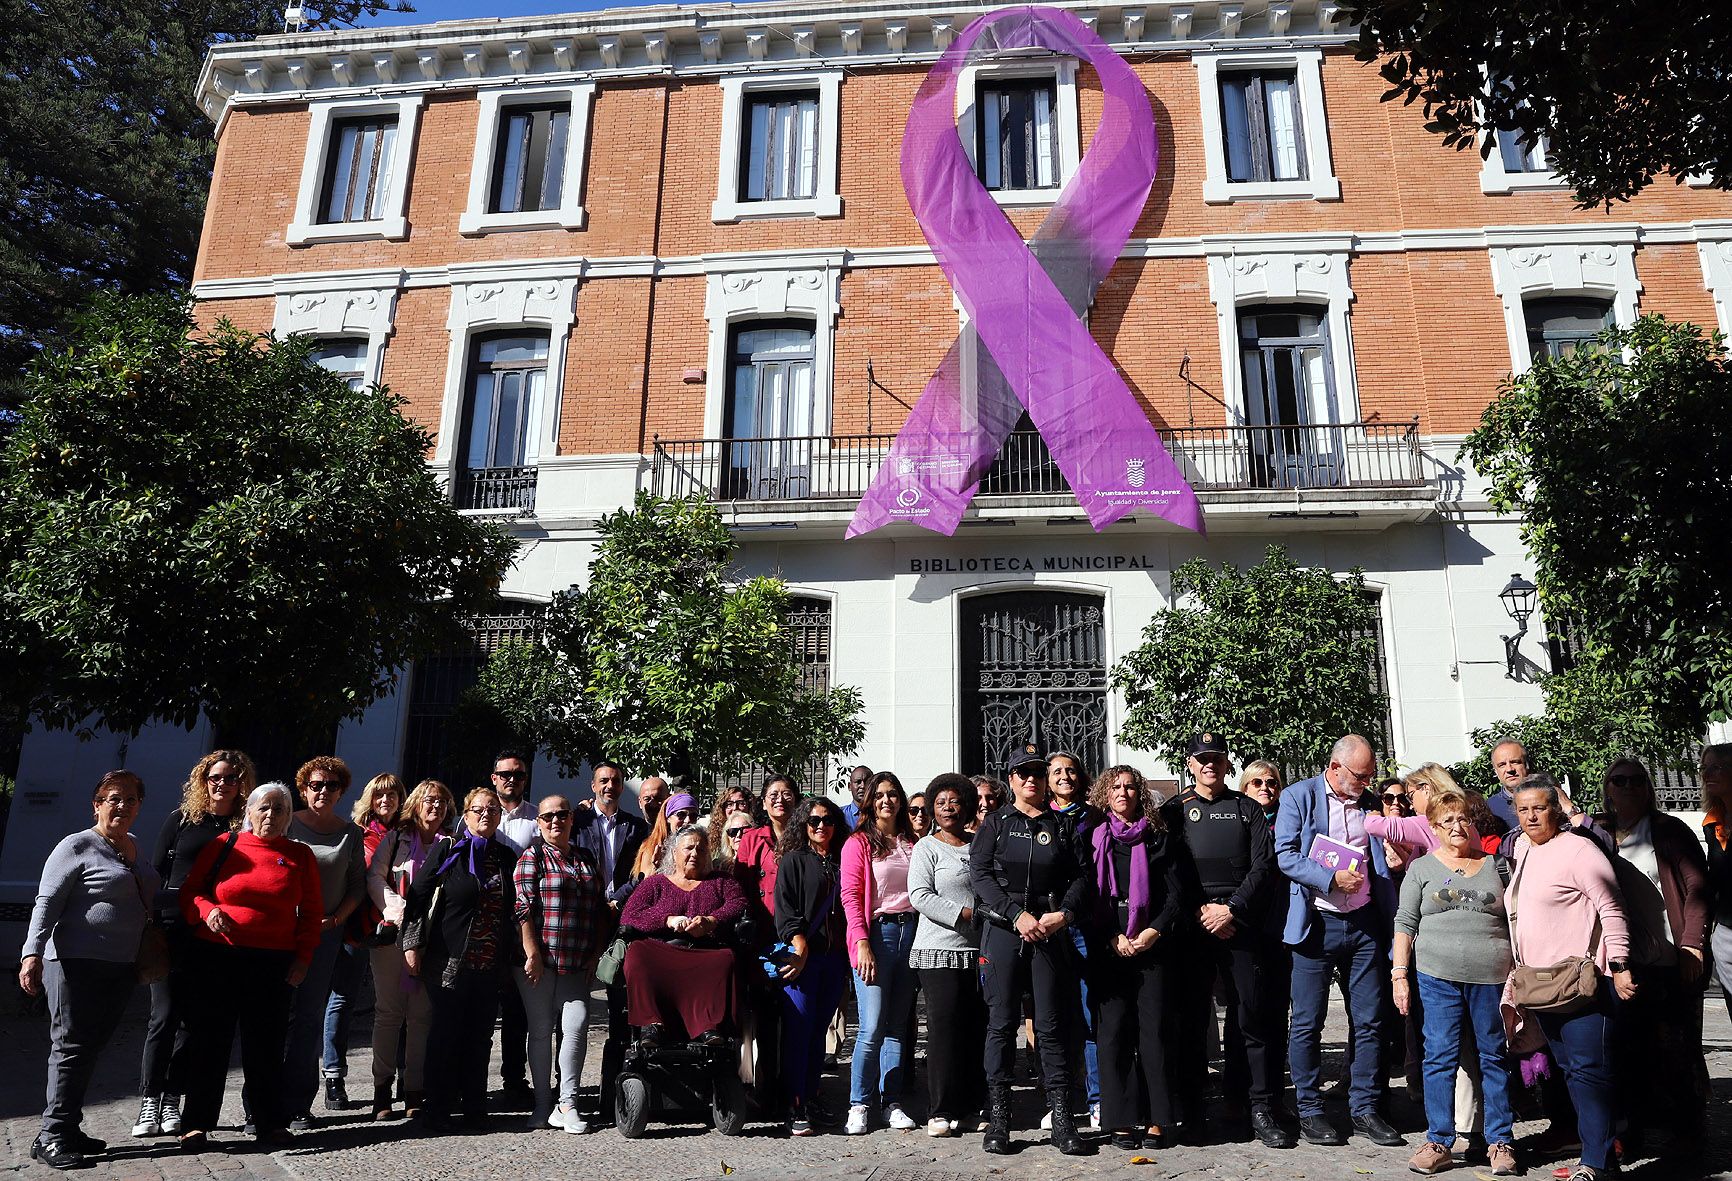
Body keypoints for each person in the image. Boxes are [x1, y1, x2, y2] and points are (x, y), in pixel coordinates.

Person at [21, 771, 162, 1170]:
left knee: (89, 1049)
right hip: (73, 963)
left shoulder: (132, 847)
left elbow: (150, 893)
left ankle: (65, 1126)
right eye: (113, 798)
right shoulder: (76, 845)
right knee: (70, 1049)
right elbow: (46, 901)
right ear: (96, 804)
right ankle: (53, 1136)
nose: (123, 806)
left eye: (131, 800)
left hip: (120, 964)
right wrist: (31, 953)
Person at [1274, 733, 1404, 1149]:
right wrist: (1330, 878)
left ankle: (1365, 1108)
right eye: (1360, 776)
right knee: (1308, 1022)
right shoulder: (1298, 797)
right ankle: (1310, 1111)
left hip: (1364, 922)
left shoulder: (1370, 804)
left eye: (1370, 776)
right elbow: (1286, 855)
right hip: (1316, 923)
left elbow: (1385, 852)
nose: (1367, 783)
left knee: (1370, 1020)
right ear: (1334, 768)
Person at [1161, 736, 1291, 1148]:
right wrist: (1203, 911)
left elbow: (1262, 865)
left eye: (1216, 758)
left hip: (1239, 924)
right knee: (1192, 1021)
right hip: (1194, 928)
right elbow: (1170, 870)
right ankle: (1193, 1110)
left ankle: (1257, 1106)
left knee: (1250, 1019)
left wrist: (1231, 909)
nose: (1210, 765)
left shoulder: (1247, 808)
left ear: (1226, 763)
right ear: (1191, 764)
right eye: (1203, 760)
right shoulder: (1174, 811)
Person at [177, 783, 322, 1150]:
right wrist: (209, 912)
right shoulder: (225, 845)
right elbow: (191, 891)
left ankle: (269, 1122)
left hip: (273, 962)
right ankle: (196, 1122)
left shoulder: (299, 855)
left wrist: (303, 958)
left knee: (267, 1046)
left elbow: (311, 913)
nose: (271, 816)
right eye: (264, 808)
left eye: (279, 810)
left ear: (289, 817)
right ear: (250, 812)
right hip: (219, 957)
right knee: (210, 1041)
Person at [1506, 775, 1636, 1181]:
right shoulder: (1525, 849)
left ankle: (1595, 1164)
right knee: (1571, 1073)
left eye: (1539, 808)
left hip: (1582, 982)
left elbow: (1611, 907)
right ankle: (1602, 1159)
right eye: (1522, 809)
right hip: (1542, 984)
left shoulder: (1578, 849)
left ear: (1556, 810)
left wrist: (1619, 964)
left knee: (1588, 1071)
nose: (1530, 816)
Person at [970, 744, 1093, 1157]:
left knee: (1052, 1025)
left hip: (1049, 930)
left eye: (1037, 773)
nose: (1031, 780)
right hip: (1005, 931)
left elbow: (1081, 877)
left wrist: (1065, 914)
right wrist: (1014, 913)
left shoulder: (1061, 824)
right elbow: (981, 874)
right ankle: (1000, 1119)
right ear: (1011, 780)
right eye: (1022, 773)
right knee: (1001, 1025)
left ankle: (1062, 1119)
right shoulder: (996, 823)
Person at [1390, 787, 1520, 1177]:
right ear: (1433, 827)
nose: (1457, 826)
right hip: (1437, 977)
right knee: (1439, 1057)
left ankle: (1500, 1142)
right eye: (1447, 820)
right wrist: (1400, 975)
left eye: (1463, 818)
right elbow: (1404, 923)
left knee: (1493, 1056)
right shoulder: (1422, 869)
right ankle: (1439, 1140)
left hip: (1492, 977)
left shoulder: (1498, 866)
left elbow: (1516, 920)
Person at [135, 750, 251, 1141]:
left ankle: (172, 1096)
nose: (223, 784)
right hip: (172, 927)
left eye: (232, 778)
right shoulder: (182, 819)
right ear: (204, 780)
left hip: (215, 933)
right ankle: (150, 1097)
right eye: (216, 777)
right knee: (164, 1016)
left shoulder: (244, 826)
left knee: (193, 1021)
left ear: (242, 784)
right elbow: (156, 873)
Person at [1596, 757, 1710, 1149]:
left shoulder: (1668, 830)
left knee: (1676, 1046)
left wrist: (1691, 944)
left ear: (1648, 787)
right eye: (1619, 780)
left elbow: (1697, 889)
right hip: (1622, 959)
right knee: (1628, 1047)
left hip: (1668, 954)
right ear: (1607, 788)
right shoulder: (1599, 832)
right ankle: (1633, 1130)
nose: (1627, 786)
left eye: (1636, 780)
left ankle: (1686, 1131)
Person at [401, 787, 521, 1132]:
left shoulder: (505, 856)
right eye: (478, 809)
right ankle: (437, 1108)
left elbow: (514, 908)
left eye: (493, 810)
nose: (486, 815)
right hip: (447, 962)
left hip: (489, 963)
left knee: (480, 1036)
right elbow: (418, 895)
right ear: (465, 815)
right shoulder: (448, 849)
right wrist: (411, 945)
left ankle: (474, 1108)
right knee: (445, 1034)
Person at [1089, 763, 1189, 1152]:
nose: (1123, 792)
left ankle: (1157, 1118)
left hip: (1153, 945)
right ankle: (1120, 1119)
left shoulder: (1159, 838)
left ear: (1140, 794)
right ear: (1104, 794)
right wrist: (1112, 936)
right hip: (1109, 945)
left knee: (1154, 1033)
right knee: (1113, 1033)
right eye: (1115, 787)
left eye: (1131, 787)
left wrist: (1152, 932)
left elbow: (1176, 894)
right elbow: (1089, 894)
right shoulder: (1096, 839)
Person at [514, 794, 608, 1134]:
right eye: (548, 816)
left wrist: (596, 952)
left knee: (577, 1025)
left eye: (562, 815)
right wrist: (532, 954)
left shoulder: (585, 858)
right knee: (540, 1032)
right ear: (539, 823)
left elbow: (599, 909)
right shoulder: (532, 856)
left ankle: (567, 1102)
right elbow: (522, 907)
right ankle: (542, 1104)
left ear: (571, 819)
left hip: (576, 961)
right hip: (538, 962)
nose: (556, 821)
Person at [283, 756, 367, 1130]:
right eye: (316, 785)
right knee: (271, 1016)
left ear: (341, 791)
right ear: (303, 788)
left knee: (308, 1017)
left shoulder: (350, 832)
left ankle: (299, 1102)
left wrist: (335, 919)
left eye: (331, 786)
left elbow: (357, 885)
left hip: (324, 934)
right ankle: (263, 1103)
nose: (323, 791)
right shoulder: (286, 823)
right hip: (279, 933)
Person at [366, 778, 453, 1120]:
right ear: (416, 804)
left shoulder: (452, 843)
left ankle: (414, 1089)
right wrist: (396, 908)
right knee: (388, 1014)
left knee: (421, 1017)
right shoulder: (396, 838)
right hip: (394, 934)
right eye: (430, 800)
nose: (435, 807)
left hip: (433, 941)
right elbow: (375, 876)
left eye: (442, 802)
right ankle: (381, 1089)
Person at [840, 770, 920, 1134]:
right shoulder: (858, 843)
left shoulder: (913, 842)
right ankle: (859, 1103)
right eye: (880, 795)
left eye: (892, 794)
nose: (886, 800)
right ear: (870, 802)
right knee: (870, 1026)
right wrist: (861, 942)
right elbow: (851, 898)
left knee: (897, 1028)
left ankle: (892, 1103)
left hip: (912, 934)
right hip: (877, 935)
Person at [618, 825, 749, 1045]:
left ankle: (709, 1026)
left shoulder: (721, 881)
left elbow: (739, 903)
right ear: (674, 852)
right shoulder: (655, 883)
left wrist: (711, 921)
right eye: (689, 848)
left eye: (701, 849)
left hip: (704, 951)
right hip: (663, 950)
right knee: (637, 953)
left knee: (726, 958)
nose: (695, 854)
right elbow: (630, 915)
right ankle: (652, 1025)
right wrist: (666, 920)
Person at [908, 773, 984, 1138]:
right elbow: (919, 895)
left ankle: (971, 1107)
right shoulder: (927, 848)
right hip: (939, 949)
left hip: (979, 951)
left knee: (975, 1029)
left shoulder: (980, 843)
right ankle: (939, 1109)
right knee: (943, 1030)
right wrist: (964, 914)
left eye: (954, 801)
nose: (948, 808)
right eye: (940, 803)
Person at [322, 773, 402, 1114]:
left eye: (393, 795)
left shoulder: (406, 835)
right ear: (369, 798)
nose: (386, 801)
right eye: (379, 795)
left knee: (397, 1003)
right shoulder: (354, 833)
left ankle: (401, 1076)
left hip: (393, 929)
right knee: (343, 998)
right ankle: (334, 1075)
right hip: (356, 926)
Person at [775, 796, 851, 1135]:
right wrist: (798, 941)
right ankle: (794, 1103)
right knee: (799, 1029)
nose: (821, 826)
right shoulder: (793, 860)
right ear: (804, 825)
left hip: (834, 959)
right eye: (814, 820)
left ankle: (811, 1094)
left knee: (818, 1030)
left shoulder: (842, 860)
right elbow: (785, 908)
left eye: (828, 820)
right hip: (803, 959)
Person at [1047, 750, 1103, 1131]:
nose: (1065, 776)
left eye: (1071, 770)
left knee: (1089, 1016)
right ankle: (1060, 1100)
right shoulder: (1038, 818)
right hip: (1047, 927)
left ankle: (1097, 1099)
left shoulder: (1096, 819)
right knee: (1055, 1018)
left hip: (1085, 924)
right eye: (1057, 772)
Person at [488, 749, 537, 1108]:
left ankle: (513, 1079)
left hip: (521, 923)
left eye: (518, 775)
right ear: (494, 778)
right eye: (505, 774)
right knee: (482, 1003)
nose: (511, 780)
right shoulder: (476, 815)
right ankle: (471, 1076)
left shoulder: (537, 820)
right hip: (484, 923)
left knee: (518, 1007)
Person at [734, 775, 798, 921]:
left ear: (795, 800)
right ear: (764, 803)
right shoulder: (750, 839)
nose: (780, 800)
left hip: (798, 924)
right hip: (761, 924)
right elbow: (739, 885)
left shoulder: (805, 839)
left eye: (786, 794)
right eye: (773, 795)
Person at [1699, 743, 1732, 1024]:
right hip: (1726, 931)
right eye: (1704, 768)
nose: (1707, 774)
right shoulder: (1713, 824)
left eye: (1716, 767)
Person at [630, 792, 703, 885]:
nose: (688, 821)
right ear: (668, 818)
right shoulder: (653, 847)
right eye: (681, 814)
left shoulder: (702, 847)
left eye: (693, 816)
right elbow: (645, 888)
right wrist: (656, 868)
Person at [1484, 740, 1530, 834]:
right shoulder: (1489, 809)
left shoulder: (1548, 798)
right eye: (1502, 765)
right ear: (1496, 771)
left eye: (1515, 762)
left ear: (1526, 765)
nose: (1509, 769)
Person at [708, 786, 758, 868]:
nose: (735, 808)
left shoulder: (759, 834)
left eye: (741, 803)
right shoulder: (712, 838)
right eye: (729, 804)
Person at [1239, 760, 1282, 830]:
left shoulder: (1288, 816)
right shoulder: (1236, 816)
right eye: (1257, 782)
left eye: (1271, 782)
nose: (1264, 788)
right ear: (1245, 789)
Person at [841, 764, 873, 829]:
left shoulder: (880, 814)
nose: (863, 786)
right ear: (849, 786)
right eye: (858, 782)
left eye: (867, 782)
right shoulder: (840, 815)